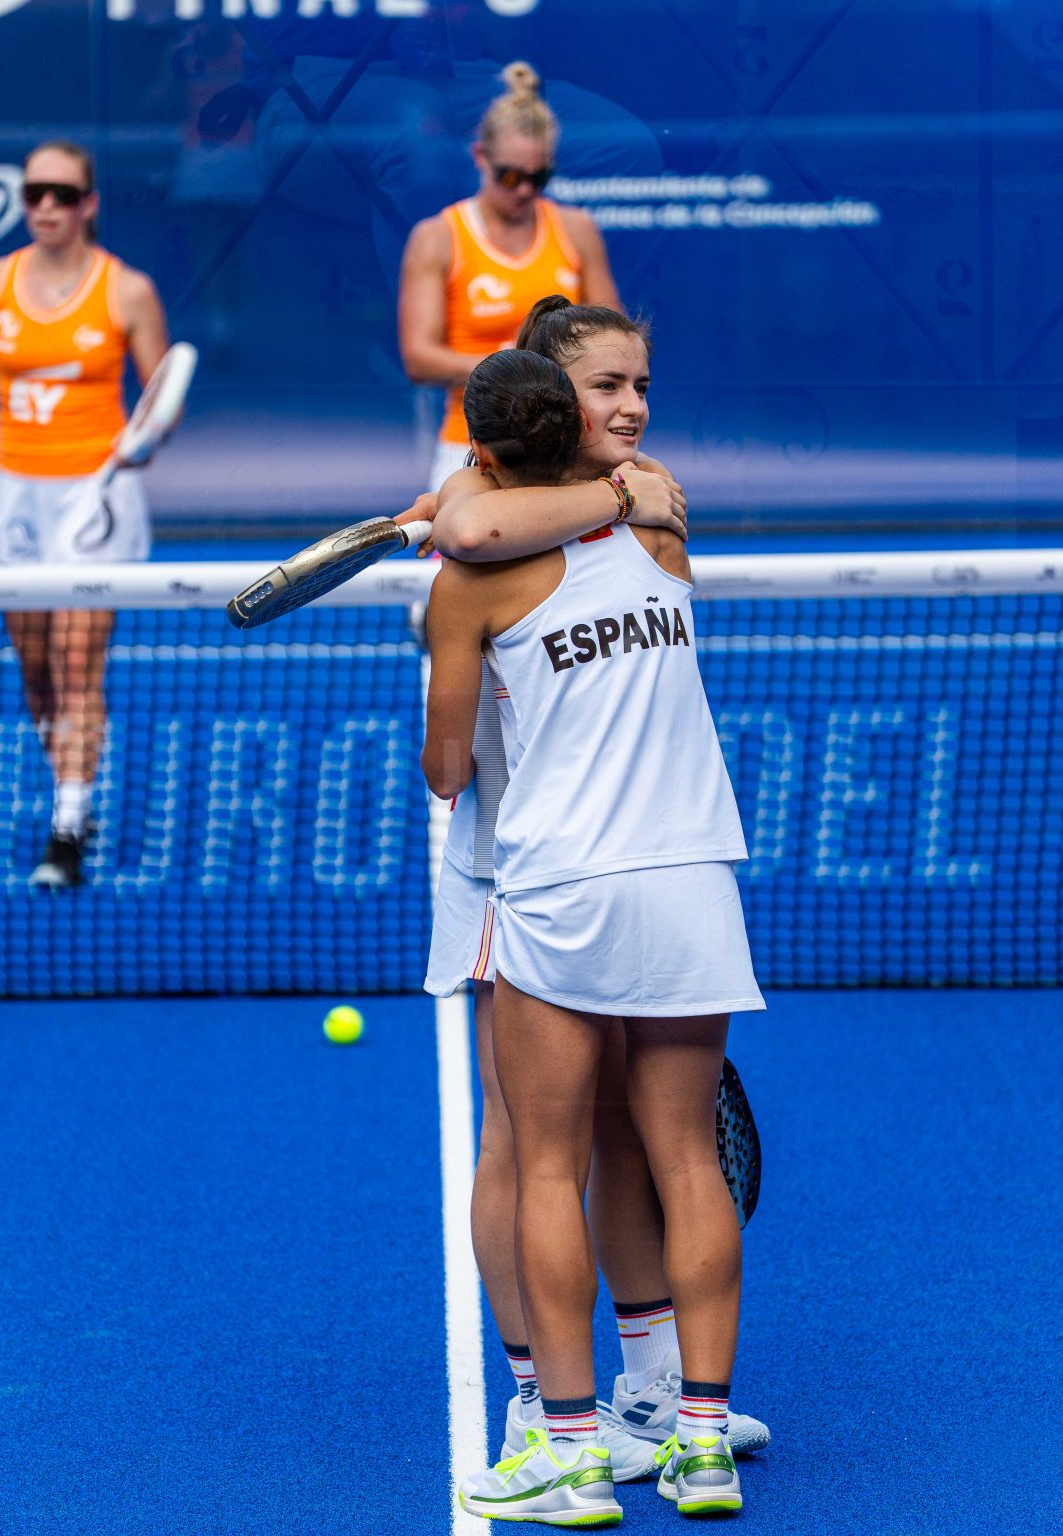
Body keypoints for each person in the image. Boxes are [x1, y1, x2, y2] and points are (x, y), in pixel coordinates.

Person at [417, 297, 769, 1478]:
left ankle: (646, 1391)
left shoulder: (631, 503)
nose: (629, 409)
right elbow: (474, 522)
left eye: (638, 386)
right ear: (545, 403)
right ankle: (538, 1401)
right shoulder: (511, 519)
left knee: (621, 1133)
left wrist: (577, 497)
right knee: (522, 1142)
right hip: (510, 868)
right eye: (603, 388)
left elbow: (480, 526)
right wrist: (479, 507)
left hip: (590, 866)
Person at [0, 140, 170, 889]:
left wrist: (147, 437)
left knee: (76, 658)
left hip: (96, 500)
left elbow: (161, 395)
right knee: (35, 667)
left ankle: (68, 823)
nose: (46, 207)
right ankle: (69, 789)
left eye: (63, 194)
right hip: (15, 497)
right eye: (34, 194)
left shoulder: (127, 290)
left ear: (89, 204)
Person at [398, 61, 620, 493]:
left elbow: (612, 340)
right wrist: (521, 368)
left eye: (539, 177)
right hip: (473, 444)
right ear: (480, 157)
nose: (524, 190)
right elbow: (419, 358)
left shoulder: (576, 230)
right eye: (511, 175)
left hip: (566, 447)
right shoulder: (438, 237)